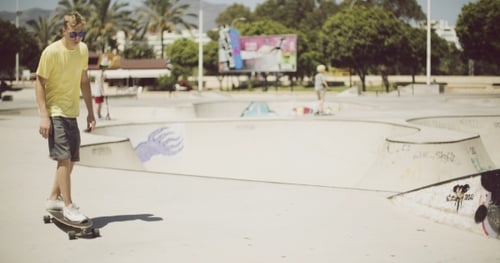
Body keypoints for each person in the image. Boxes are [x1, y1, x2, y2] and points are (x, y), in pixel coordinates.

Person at [35, 11, 96, 223]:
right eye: (73, 34)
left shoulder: (82, 50)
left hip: (72, 112)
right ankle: (68, 206)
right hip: (55, 112)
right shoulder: (51, 52)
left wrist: (90, 111)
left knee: (72, 161)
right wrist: (44, 115)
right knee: (64, 157)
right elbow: (39, 82)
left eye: (81, 34)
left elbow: (84, 81)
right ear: (64, 30)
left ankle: (54, 197)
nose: (77, 38)